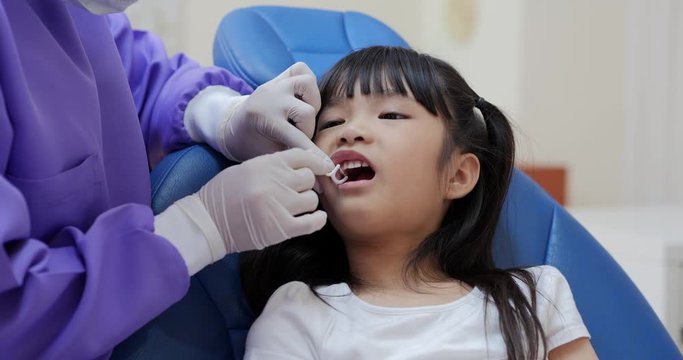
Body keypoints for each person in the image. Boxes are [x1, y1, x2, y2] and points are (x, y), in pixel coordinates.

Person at [0, 0, 334, 358]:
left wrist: (222, 114)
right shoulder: (292, 324)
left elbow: (134, 76)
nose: (356, 135)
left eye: (392, 115)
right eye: (337, 123)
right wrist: (199, 227)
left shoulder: (71, 12)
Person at [240, 46, 599, 359]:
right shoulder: (297, 313)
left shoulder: (532, 299)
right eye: (332, 121)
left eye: (390, 115)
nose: (350, 131)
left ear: (457, 176)